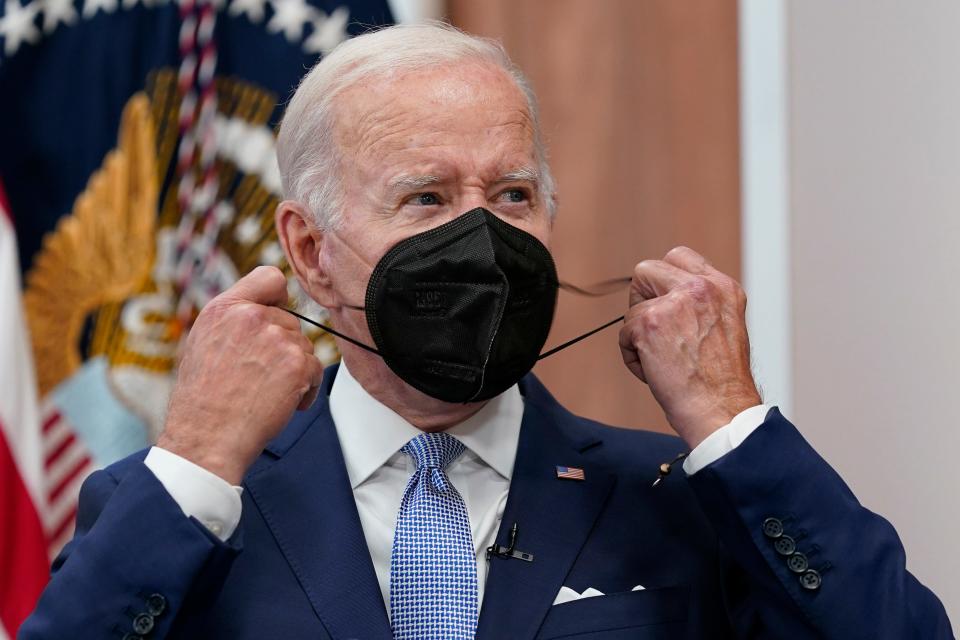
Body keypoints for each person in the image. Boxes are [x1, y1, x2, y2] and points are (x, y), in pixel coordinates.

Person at [20, 22, 953, 640]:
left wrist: (730, 422)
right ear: (309, 250)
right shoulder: (188, 503)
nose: (483, 238)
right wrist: (192, 458)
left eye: (512, 195)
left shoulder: (677, 497)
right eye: (425, 198)